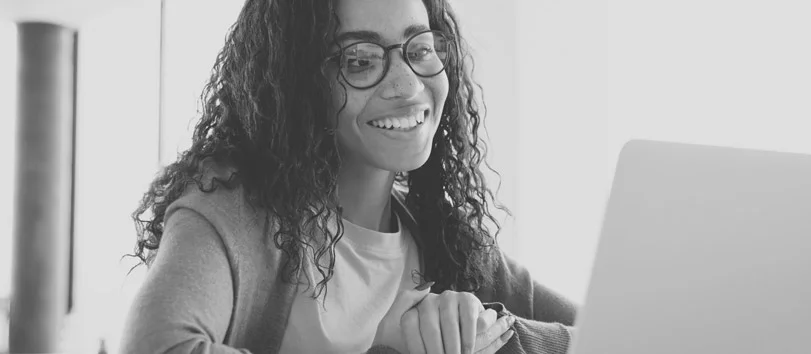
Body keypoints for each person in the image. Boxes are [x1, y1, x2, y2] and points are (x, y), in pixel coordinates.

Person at [119, 0, 577, 353]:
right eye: (360, 60)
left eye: (420, 50)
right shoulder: (229, 211)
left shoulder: (446, 234)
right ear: (296, 82)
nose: (409, 85)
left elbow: (619, 334)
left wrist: (494, 326)